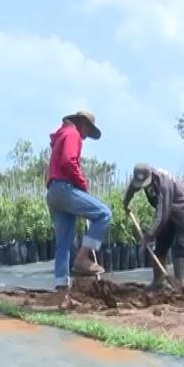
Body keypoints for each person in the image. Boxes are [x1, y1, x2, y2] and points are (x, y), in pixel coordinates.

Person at [46, 110, 110, 295]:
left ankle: (61, 290)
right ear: (82, 124)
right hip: (65, 189)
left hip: (54, 191)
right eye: (87, 131)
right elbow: (68, 161)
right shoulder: (73, 134)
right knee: (103, 214)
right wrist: (82, 183)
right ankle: (83, 258)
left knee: (63, 243)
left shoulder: (61, 135)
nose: (85, 136)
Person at [123, 163, 184, 290]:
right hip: (166, 208)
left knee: (180, 242)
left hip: (182, 206)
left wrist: (149, 235)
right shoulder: (140, 179)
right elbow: (132, 188)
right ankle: (158, 281)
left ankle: (178, 283)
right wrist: (126, 203)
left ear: (150, 176)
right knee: (161, 244)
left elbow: (162, 215)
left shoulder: (163, 185)